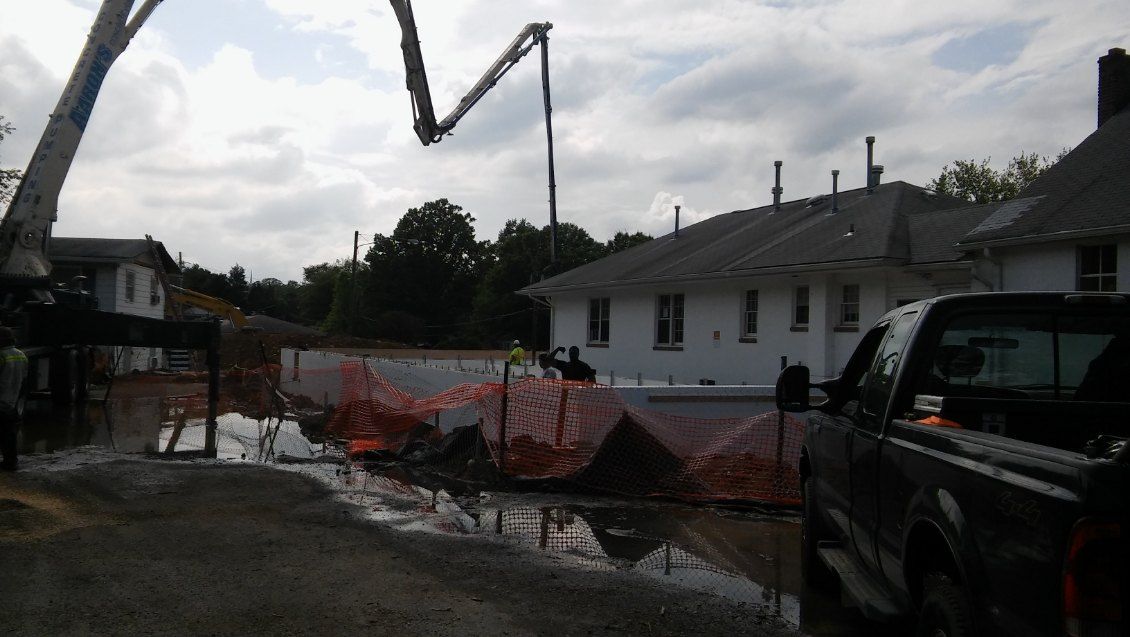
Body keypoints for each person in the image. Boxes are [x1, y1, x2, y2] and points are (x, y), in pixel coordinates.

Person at [0, 326, 28, 471]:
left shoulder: (1, 356)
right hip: (11, 402)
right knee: (9, 435)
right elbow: (24, 380)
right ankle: (11, 462)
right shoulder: (21, 355)